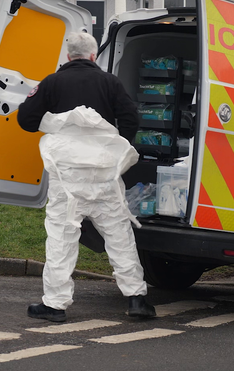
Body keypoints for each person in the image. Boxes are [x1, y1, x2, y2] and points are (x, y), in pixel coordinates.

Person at [17, 31, 155, 322]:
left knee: (61, 238)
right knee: (119, 236)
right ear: (93, 56)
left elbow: (26, 120)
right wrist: (114, 148)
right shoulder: (110, 82)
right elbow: (131, 118)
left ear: (68, 56)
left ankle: (55, 305)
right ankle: (137, 299)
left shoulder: (52, 82)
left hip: (67, 180)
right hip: (104, 175)